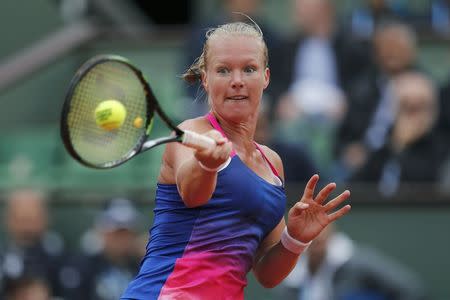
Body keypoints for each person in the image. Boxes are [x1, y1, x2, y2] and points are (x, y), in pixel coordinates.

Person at [120, 20, 351, 300]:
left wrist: (297, 239)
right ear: (205, 78)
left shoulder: (271, 163)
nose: (237, 80)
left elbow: (266, 274)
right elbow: (192, 194)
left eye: (249, 69)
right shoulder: (190, 134)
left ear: (265, 77)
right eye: (223, 70)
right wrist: (208, 164)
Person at [350, 71, 447, 197]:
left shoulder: (442, 148)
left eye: (419, 107)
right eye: (406, 106)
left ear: (432, 110)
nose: (413, 116)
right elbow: (358, 187)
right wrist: (397, 145)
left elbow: (426, 187)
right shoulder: (381, 145)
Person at [272, 224, 428, 300]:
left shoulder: (361, 262)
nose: (316, 237)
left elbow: (411, 288)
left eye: (321, 228)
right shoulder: (289, 279)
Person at [61, 198, 142, 300]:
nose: (122, 240)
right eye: (117, 233)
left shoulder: (141, 266)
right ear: (103, 232)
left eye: (127, 233)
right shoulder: (84, 267)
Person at [0, 188, 66, 299]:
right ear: (7, 221)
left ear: (45, 219)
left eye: (31, 219)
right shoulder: (3, 257)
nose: (26, 227)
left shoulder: (61, 259)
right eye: (21, 219)